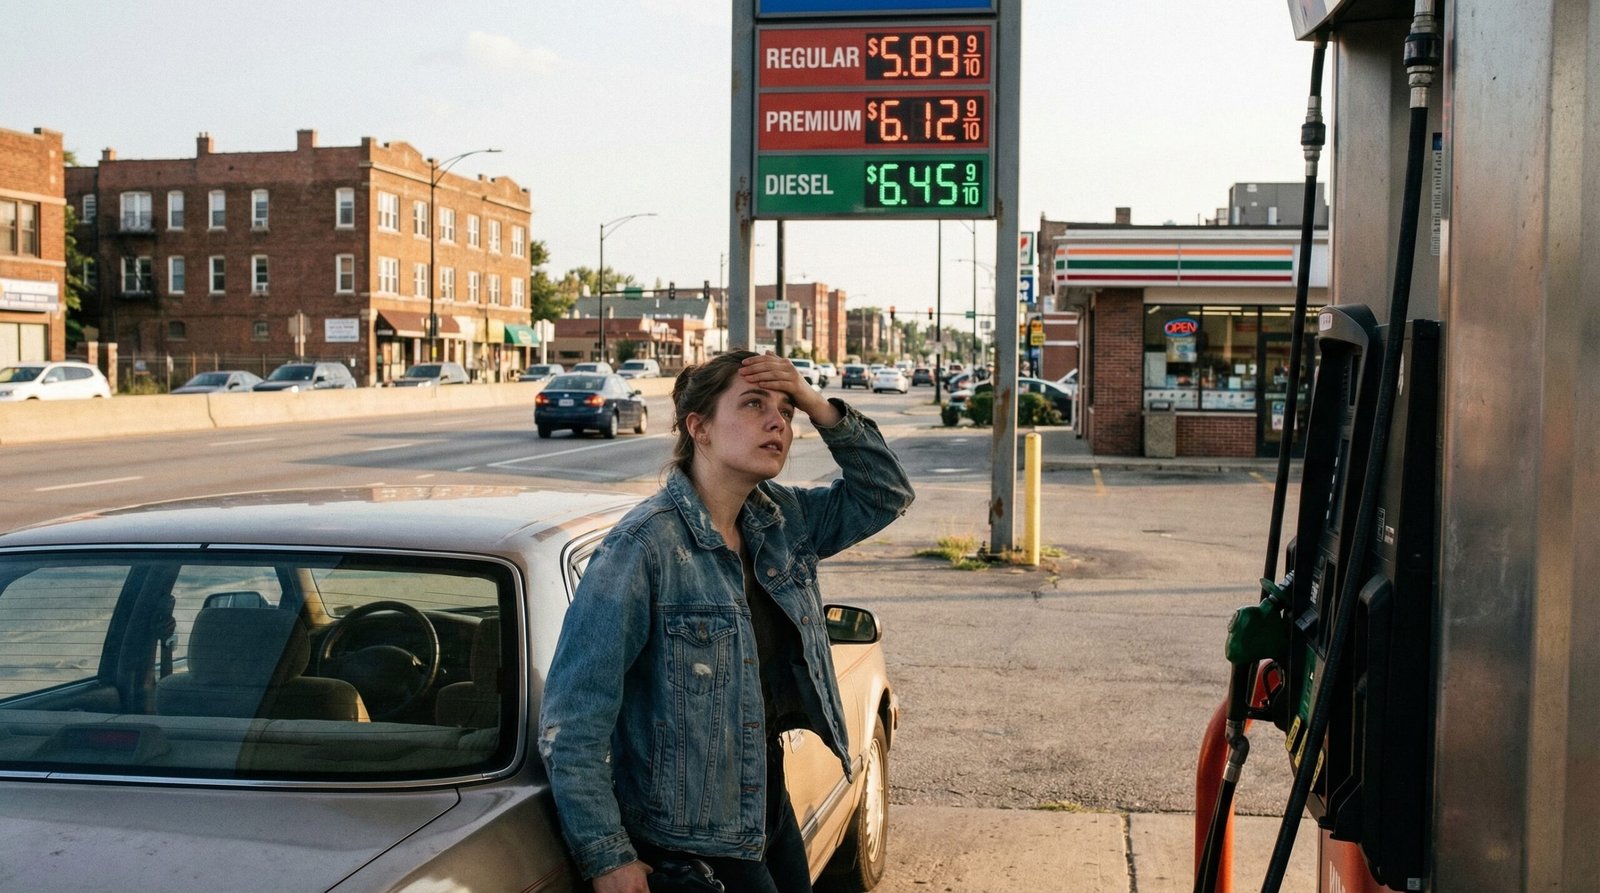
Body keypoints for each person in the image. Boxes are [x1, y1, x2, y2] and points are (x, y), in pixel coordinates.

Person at [539, 350, 915, 893]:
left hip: (766, 807)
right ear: (700, 428)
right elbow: (571, 722)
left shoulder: (780, 521)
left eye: (785, 411)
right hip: (690, 843)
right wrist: (607, 858)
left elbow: (887, 494)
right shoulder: (642, 549)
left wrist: (816, 402)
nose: (777, 422)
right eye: (754, 404)